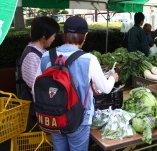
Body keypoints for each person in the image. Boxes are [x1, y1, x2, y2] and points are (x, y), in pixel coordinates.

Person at [34, 16, 118, 151]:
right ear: (84, 36)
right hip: (79, 118)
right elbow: (106, 88)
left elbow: (35, 89)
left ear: (64, 34)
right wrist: (113, 77)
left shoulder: (46, 56)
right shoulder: (89, 59)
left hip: (54, 116)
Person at [19, 16, 59, 130]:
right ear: (44, 35)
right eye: (53, 35)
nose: (53, 38)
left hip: (44, 106)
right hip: (37, 110)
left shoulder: (41, 52)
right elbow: (36, 88)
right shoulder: (32, 56)